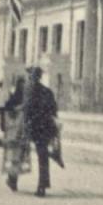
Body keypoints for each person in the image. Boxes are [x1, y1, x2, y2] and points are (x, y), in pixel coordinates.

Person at [24, 66, 58, 197]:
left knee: (18, 151)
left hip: (31, 127)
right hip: (45, 128)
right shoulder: (47, 91)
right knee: (43, 157)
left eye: (30, 76)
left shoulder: (28, 91)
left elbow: (24, 110)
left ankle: (12, 179)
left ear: (31, 77)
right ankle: (42, 186)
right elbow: (54, 110)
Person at [2, 76, 30, 192]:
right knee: (14, 157)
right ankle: (11, 180)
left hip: (22, 133)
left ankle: (14, 181)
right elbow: (8, 110)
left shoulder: (26, 98)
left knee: (19, 158)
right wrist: (19, 108)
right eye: (22, 85)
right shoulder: (14, 98)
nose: (23, 87)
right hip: (14, 132)